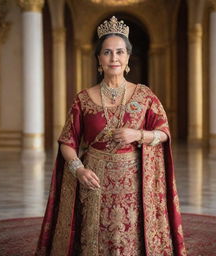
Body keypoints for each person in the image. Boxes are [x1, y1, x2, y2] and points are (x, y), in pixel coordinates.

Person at [35, 16, 186, 256]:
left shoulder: (145, 96)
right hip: (94, 179)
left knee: (131, 237)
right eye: (107, 52)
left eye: (119, 52)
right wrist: (79, 170)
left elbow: (164, 133)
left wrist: (138, 134)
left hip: (135, 182)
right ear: (99, 59)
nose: (114, 58)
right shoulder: (83, 99)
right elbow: (67, 141)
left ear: (127, 57)